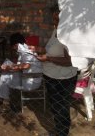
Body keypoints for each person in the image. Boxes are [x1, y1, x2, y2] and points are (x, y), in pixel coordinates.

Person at [36, 8, 78, 136]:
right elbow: (51, 50)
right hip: (51, 76)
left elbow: (70, 61)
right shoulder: (56, 31)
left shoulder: (68, 35)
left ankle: (62, 133)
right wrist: (37, 49)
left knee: (62, 108)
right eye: (53, 18)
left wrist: (48, 58)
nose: (54, 21)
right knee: (55, 107)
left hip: (63, 79)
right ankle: (59, 131)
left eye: (57, 19)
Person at [0, 32, 42, 110]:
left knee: (5, 77)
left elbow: (26, 66)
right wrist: (12, 66)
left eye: (13, 47)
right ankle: (3, 98)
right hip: (32, 76)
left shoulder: (25, 51)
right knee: (6, 65)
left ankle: (4, 100)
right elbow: (24, 63)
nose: (14, 49)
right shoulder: (26, 48)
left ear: (15, 45)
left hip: (31, 81)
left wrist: (10, 68)